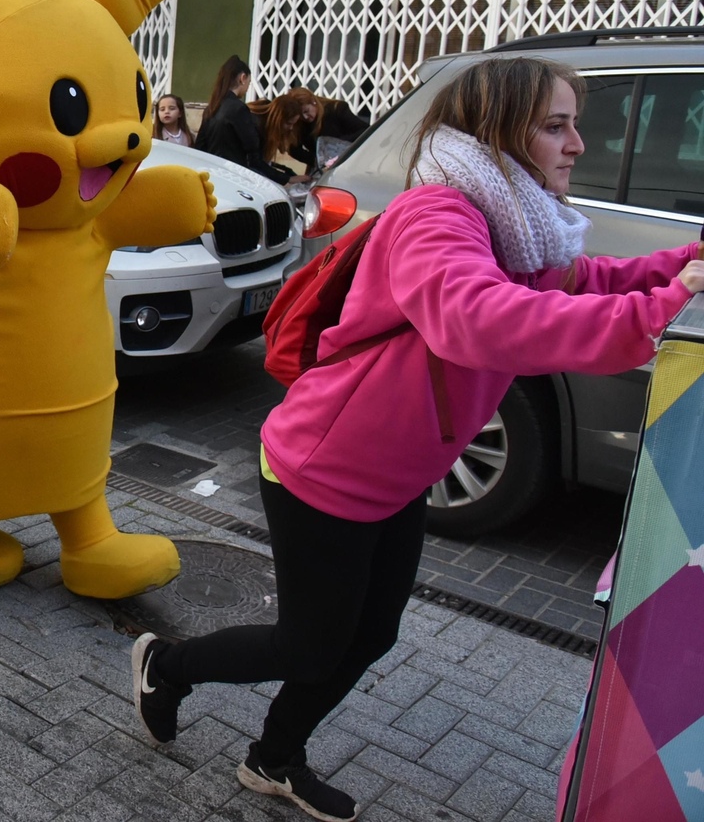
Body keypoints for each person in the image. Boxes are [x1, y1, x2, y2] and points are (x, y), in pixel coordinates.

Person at [130, 56, 704, 822]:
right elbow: (478, 317)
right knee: (310, 645)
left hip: (397, 474)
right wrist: (656, 313)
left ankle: (272, 758)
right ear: (499, 131)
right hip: (323, 469)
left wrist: (680, 267)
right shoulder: (439, 217)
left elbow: (576, 280)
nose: (577, 145)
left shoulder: (515, 221)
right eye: (556, 126)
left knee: (369, 636)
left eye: (576, 125)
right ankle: (165, 667)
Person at [194, 55, 290, 184]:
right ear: (242, 78)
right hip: (233, 177)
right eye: (249, 83)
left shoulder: (212, 107)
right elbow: (253, 151)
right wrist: (284, 178)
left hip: (212, 175)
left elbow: (200, 146)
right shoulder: (238, 108)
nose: (247, 88)